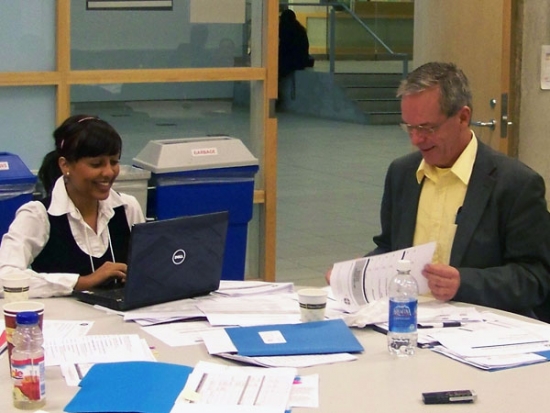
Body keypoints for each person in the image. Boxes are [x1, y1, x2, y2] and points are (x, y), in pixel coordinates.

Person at [326, 62, 550, 320]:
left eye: (427, 128)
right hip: (405, 322)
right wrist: (358, 273)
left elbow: (536, 277)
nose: (416, 139)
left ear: (463, 118)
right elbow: (390, 248)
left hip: (478, 329)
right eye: (409, 127)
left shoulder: (515, 184)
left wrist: (463, 283)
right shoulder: (402, 174)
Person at [0, 114, 145, 298]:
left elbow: (150, 269)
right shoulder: (37, 215)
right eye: (96, 164)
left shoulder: (127, 208)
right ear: (65, 165)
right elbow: (5, 277)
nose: (109, 172)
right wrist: (82, 282)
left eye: (114, 162)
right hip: (66, 323)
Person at [278, 9, 313, 79]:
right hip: (300, 60)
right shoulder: (299, 29)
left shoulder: (286, 29)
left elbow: (284, 48)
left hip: (292, 61)